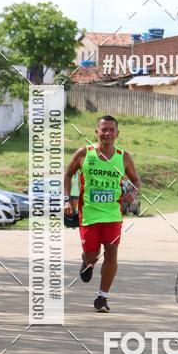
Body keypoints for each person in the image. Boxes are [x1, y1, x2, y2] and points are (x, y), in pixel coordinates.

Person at [64, 115, 141, 313]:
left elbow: (136, 181)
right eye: (103, 129)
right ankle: (86, 262)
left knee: (112, 251)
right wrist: (67, 200)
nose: (107, 133)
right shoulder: (84, 153)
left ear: (117, 133)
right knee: (92, 256)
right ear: (96, 132)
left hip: (112, 215)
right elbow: (68, 174)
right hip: (89, 214)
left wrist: (132, 193)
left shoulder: (123, 157)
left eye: (111, 130)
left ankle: (102, 297)